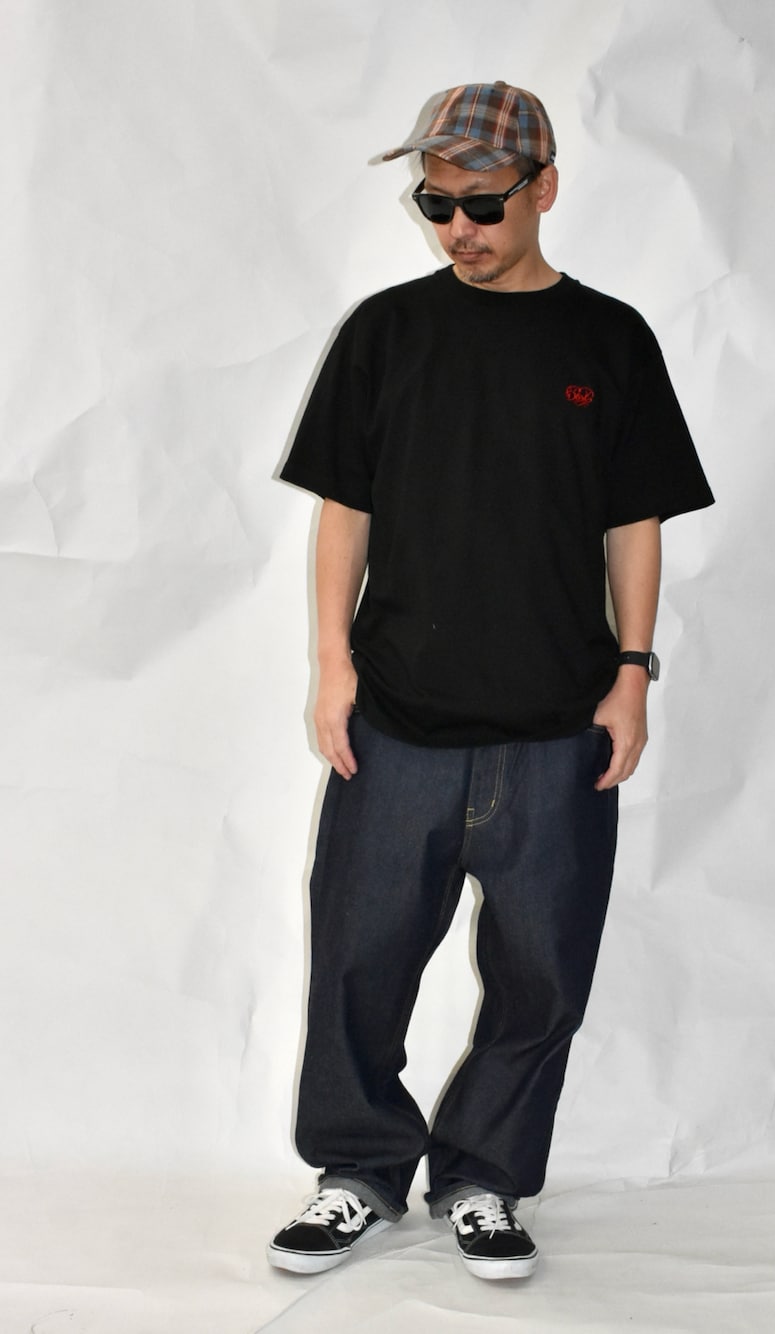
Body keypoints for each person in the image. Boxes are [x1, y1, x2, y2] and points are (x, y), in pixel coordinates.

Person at [268, 80, 714, 1282]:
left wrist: (632, 674)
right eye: (434, 204)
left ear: (544, 188)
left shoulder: (609, 340)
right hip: (396, 721)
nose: (456, 228)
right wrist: (331, 665)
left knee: (541, 977)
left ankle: (483, 1177)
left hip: (557, 728)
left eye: (480, 204)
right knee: (358, 959)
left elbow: (633, 521)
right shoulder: (386, 332)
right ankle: (358, 1169)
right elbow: (343, 511)